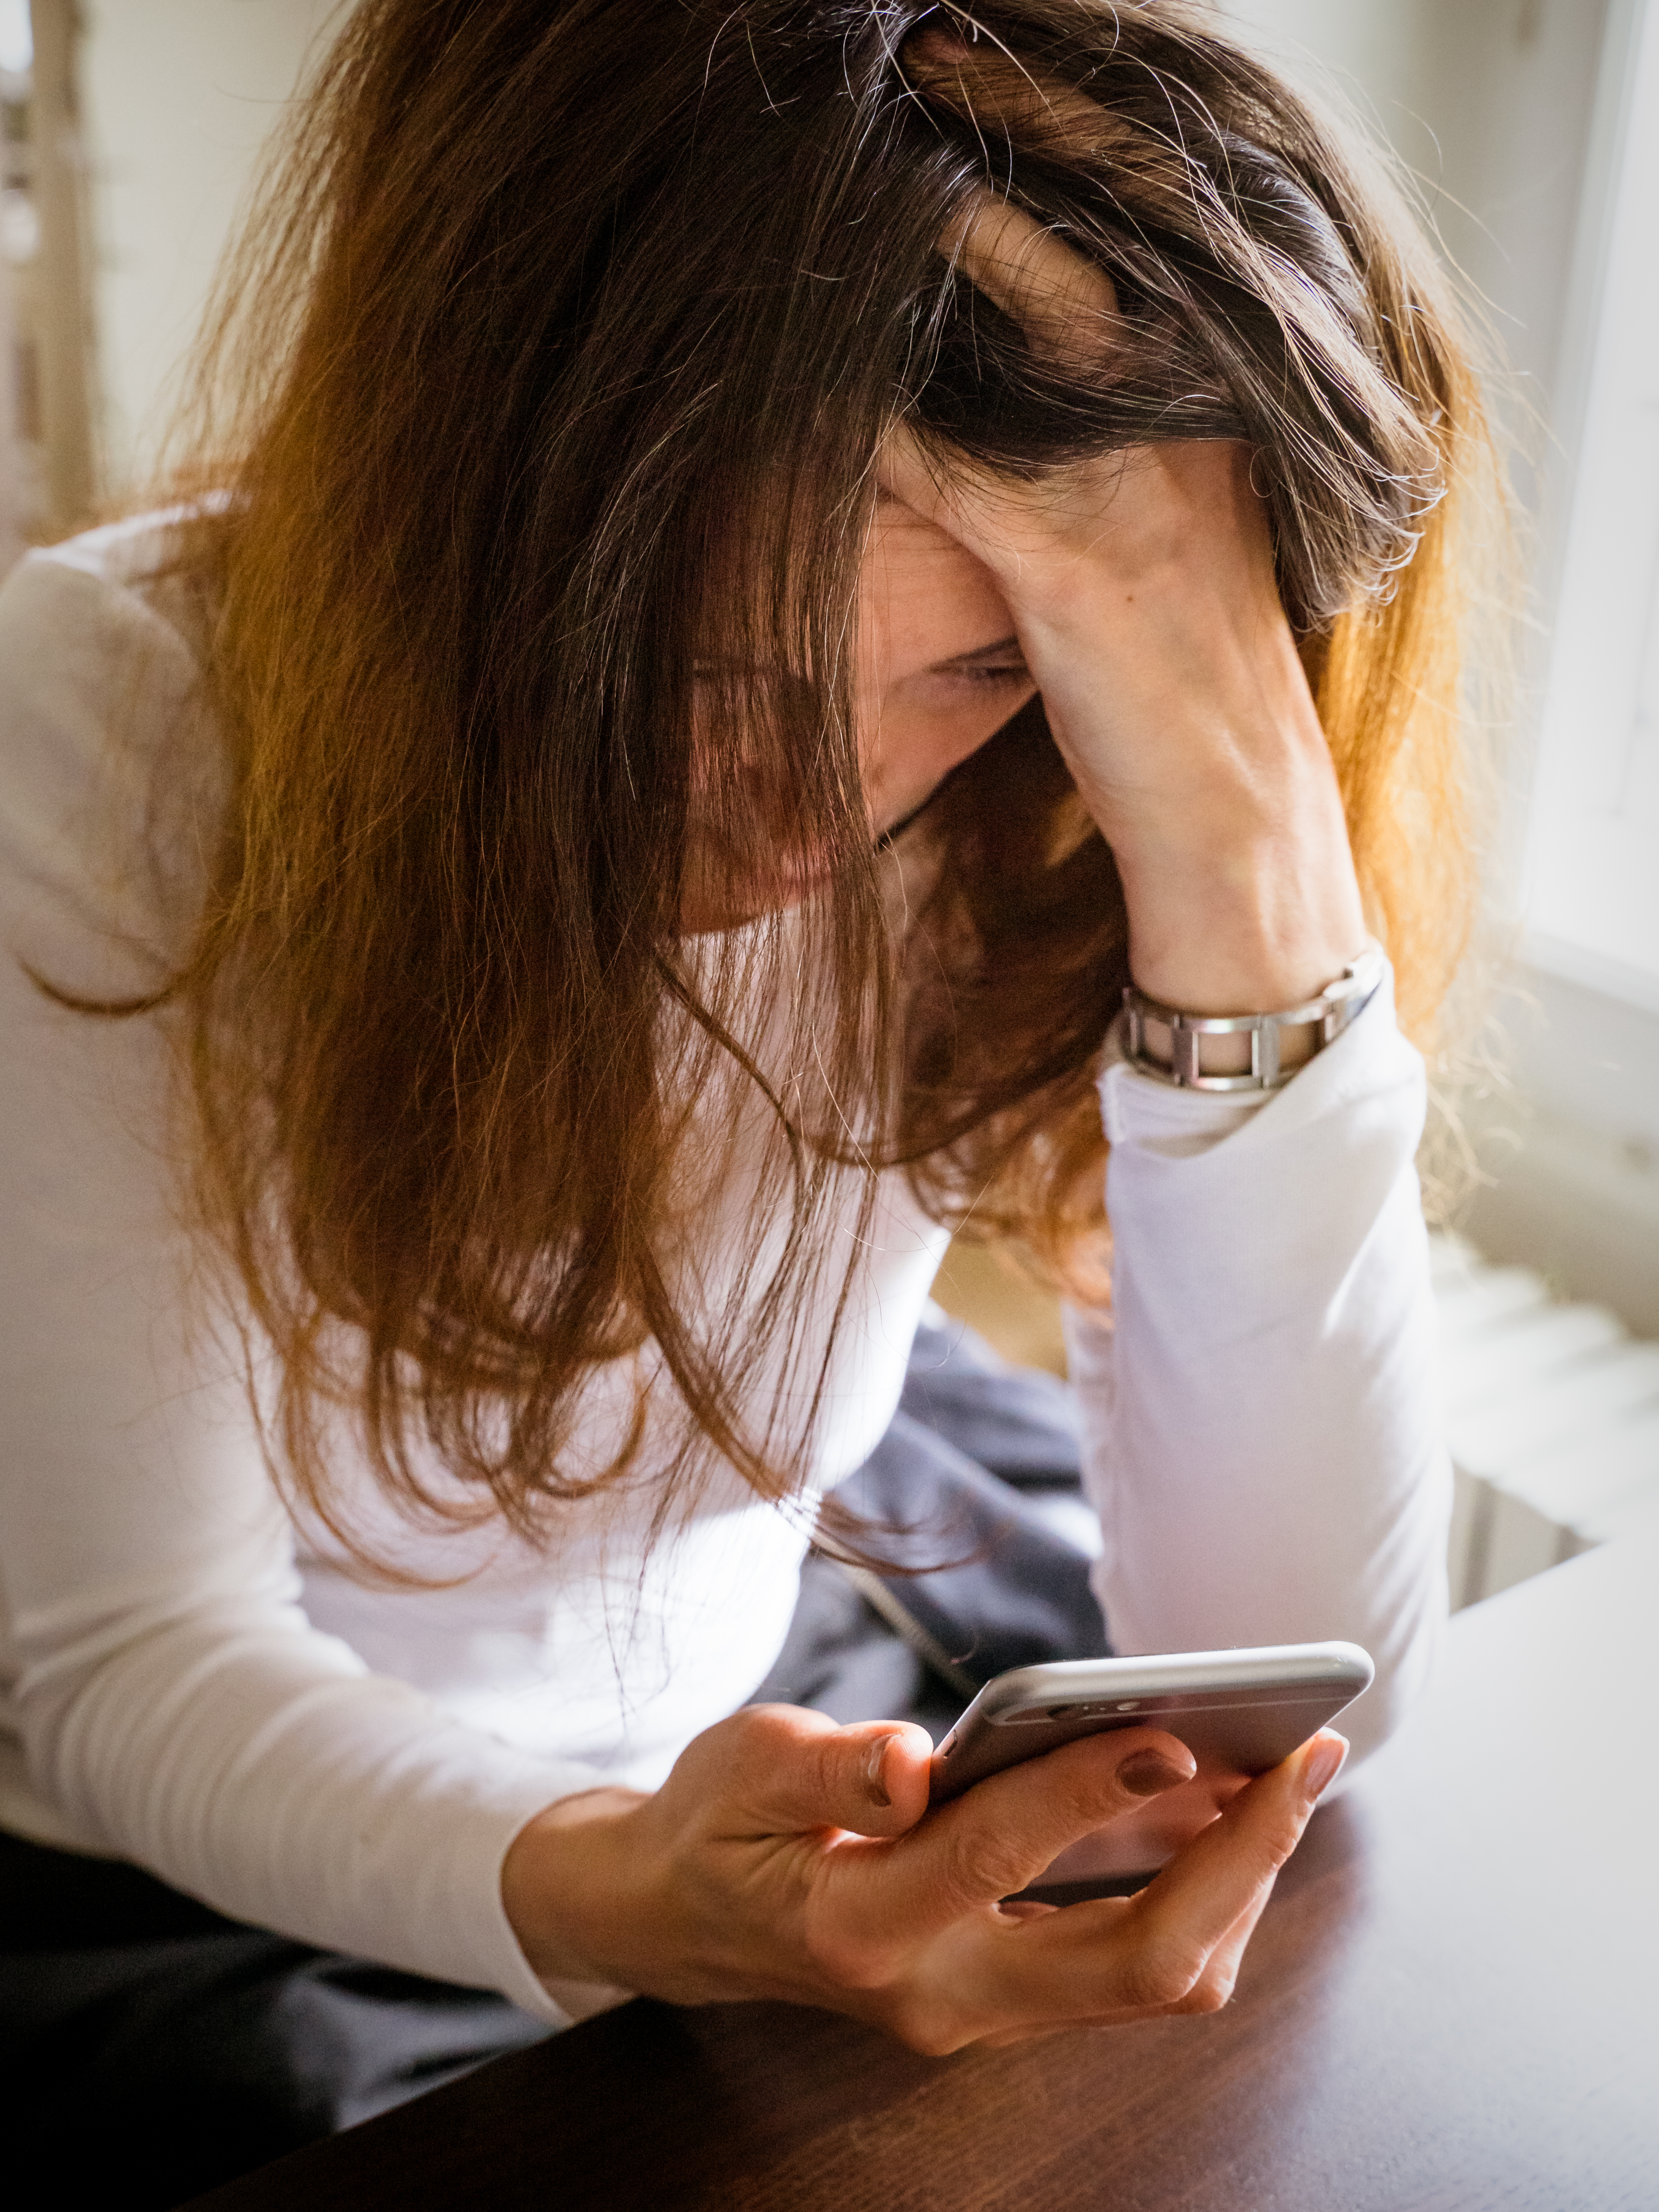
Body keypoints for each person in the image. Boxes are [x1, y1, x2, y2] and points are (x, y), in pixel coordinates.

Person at [0, 1, 1484, 2199]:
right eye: (711, 675)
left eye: (982, 668)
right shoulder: (100, 729)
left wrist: (1240, 843)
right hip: (197, 1883)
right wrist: (631, 1888)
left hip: (722, 1725)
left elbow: (1314, 1693)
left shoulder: (1017, 816)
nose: (832, 804)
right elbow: (127, 1664)